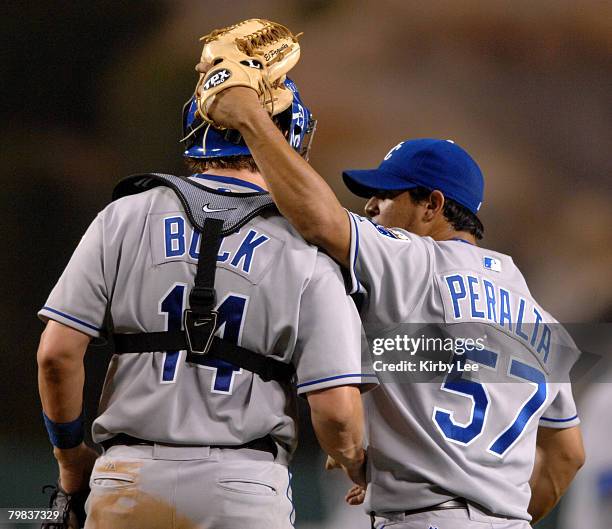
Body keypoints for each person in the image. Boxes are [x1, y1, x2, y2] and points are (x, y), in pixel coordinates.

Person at [201, 79, 586, 529]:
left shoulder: (414, 259)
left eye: (387, 194)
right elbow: (568, 456)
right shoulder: (539, 314)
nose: (370, 206)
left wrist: (250, 117)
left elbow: (318, 219)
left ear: (432, 206)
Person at [36, 65, 376, 528]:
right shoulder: (308, 248)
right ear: (288, 136)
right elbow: (335, 410)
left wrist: (70, 455)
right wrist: (355, 461)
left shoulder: (123, 216)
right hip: (243, 487)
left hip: (129, 478)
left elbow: (55, 355)